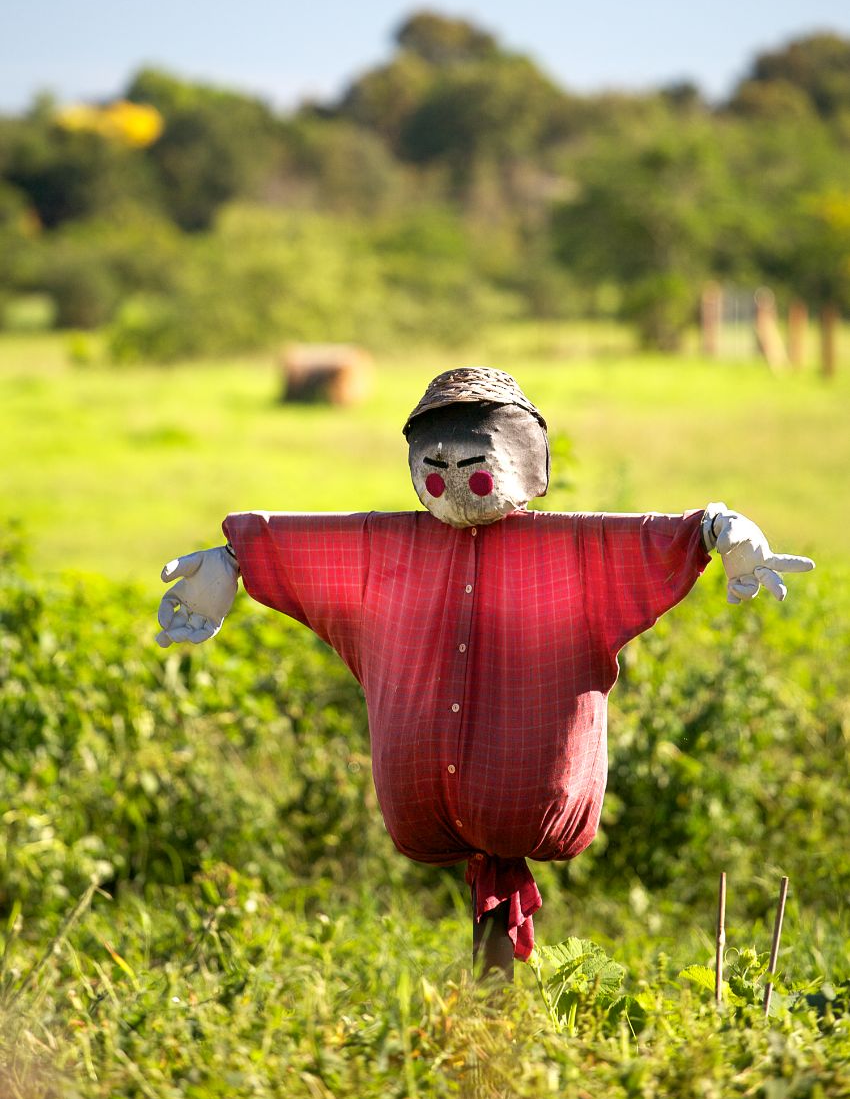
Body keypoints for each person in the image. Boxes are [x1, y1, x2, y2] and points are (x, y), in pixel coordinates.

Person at [156, 368, 814, 976]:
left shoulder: (571, 551)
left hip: (535, 802)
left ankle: (496, 1023)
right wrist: (230, 561)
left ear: (527, 467)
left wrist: (722, 531)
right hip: (423, 807)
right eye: (435, 474)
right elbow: (302, 541)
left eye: (474, 471)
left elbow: (654, 537)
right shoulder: (389, 545)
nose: (451, 487)